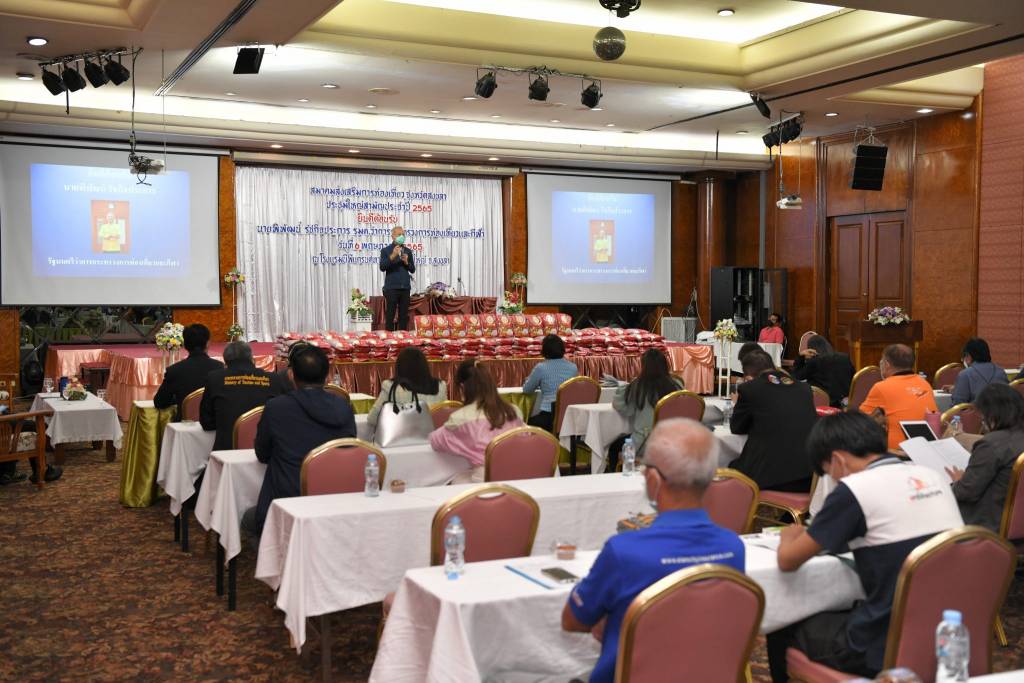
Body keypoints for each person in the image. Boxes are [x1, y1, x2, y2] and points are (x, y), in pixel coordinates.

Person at [767, 412, 963, 681]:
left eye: (829, 474)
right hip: (944, 632)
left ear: (838, 460)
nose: (834, 481)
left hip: (880, 642)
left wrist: (788, 536)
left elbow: (788, 560)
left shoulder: (854, 489)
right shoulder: (931, 476)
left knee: (782, 621)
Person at [561, 418, 745, 683]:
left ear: (653, 478)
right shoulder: (733, 547)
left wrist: (613, 618)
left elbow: (572, 621)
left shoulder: (624, 552)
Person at [242, 346, 356, 537]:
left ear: (291, 375)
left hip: (288, 504)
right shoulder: (343, 406)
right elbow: (349, 448)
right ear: (327, 376)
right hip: (335, 501)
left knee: (247, 518)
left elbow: (262, 454)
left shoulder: (276, 407)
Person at [730, 349, 816, 491]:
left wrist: (737, 404)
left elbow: (737, 427)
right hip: (810, 476)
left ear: (749, 377)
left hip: (774, 477)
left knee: (729, 470)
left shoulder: (749, 389)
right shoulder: (804, 388)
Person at [429, 359, 524, 483]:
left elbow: (435, 441)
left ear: (462, 387)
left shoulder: (461, 418)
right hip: (519, 476)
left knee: (451, 481)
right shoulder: (514, 411)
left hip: (484, 481)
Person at [946, 383, 1024, 532]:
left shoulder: (991, 444)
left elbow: (966, 492)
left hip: (988, 524)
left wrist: (957, 481)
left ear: (992, 414)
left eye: (982, 417)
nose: (982, 421)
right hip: (1017, 524)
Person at [199, 341, 288, 452]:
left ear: (225, 361)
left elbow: (206, 422)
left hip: (227, 451)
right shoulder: (273, 379)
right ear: (252, 358)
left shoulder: (215, 378)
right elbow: (282, 419)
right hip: (267, 451)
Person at [609, 349, 683, 469]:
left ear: (643, 366)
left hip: (646, 443)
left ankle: (615, 477)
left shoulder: (637, 386)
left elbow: (623, 408)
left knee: (613, 447)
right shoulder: (677, 385)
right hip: (675, 440)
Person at [859, 344, 937, 451]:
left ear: (886, 364)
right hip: (926, 448)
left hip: (897, 451)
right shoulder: (925, 384)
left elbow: (860, 420)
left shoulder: (882, 387)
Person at [367, 347, 448, 432]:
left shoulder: (391, 386)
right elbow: (445, 418)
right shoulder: (441, 386)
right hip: (433, 436)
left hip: (400, 436)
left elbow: (372, 418)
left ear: (399, 366)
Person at [153, 323, 225, 419]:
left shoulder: (174, 370)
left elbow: (159, 402)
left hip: (184, 424)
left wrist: (179, 398)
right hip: (212, 423)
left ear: (185, 345)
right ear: (208, 343)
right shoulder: (219, 367)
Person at [521, 334, 578, 432]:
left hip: (548, 416)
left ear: (544, 350)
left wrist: (529, 381)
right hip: (568, 416)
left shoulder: (541, 368)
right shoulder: (573, 367)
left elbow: (527, 390)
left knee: (525, 425)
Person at [793, 334, 855, 408]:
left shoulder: (814, 361)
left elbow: (797, 376)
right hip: (846, 401)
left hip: (825, 403)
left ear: (812, 349)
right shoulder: (844, 357)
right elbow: (853, 376)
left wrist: (801, 356)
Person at [379, 225, 416, 331]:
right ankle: (389, 337)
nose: (402, 236)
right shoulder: (386, 250)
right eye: (399, 234)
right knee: (390, 315)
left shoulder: (407, 251)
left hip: (405, 288)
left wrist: (406, 262)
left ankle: (403, 337)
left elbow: (412, 269)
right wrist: (393, 255)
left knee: (403, 316)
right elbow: (382, 267)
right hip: (391, 288)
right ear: (393, 236)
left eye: (403, 234)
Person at [951, 337, 1008, 405]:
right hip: (1001, 411)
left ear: (968, 356)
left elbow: (957, 405)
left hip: (976, 411)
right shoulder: (1001, 372)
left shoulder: (965, 374)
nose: (962, 360)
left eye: (963, 357)